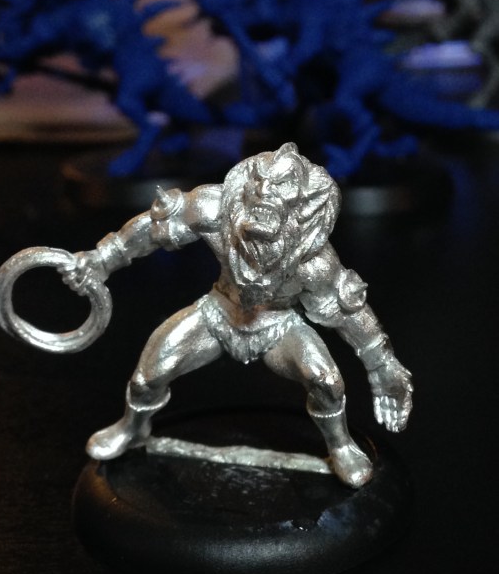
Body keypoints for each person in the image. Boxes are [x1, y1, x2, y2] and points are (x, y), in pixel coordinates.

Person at [64, 142, 412, 488]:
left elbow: (350, 312)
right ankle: (133, 428)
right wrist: (101, 259)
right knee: (148, 377)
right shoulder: (214, 210)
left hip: (278, 323)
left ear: (301, 209)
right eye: (258, 188)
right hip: (219, 310)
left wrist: (383, 368)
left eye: (278, 192)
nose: (262, 197)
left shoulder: (315, 264)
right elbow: (153, 228)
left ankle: (340, 445)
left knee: (327, 382)